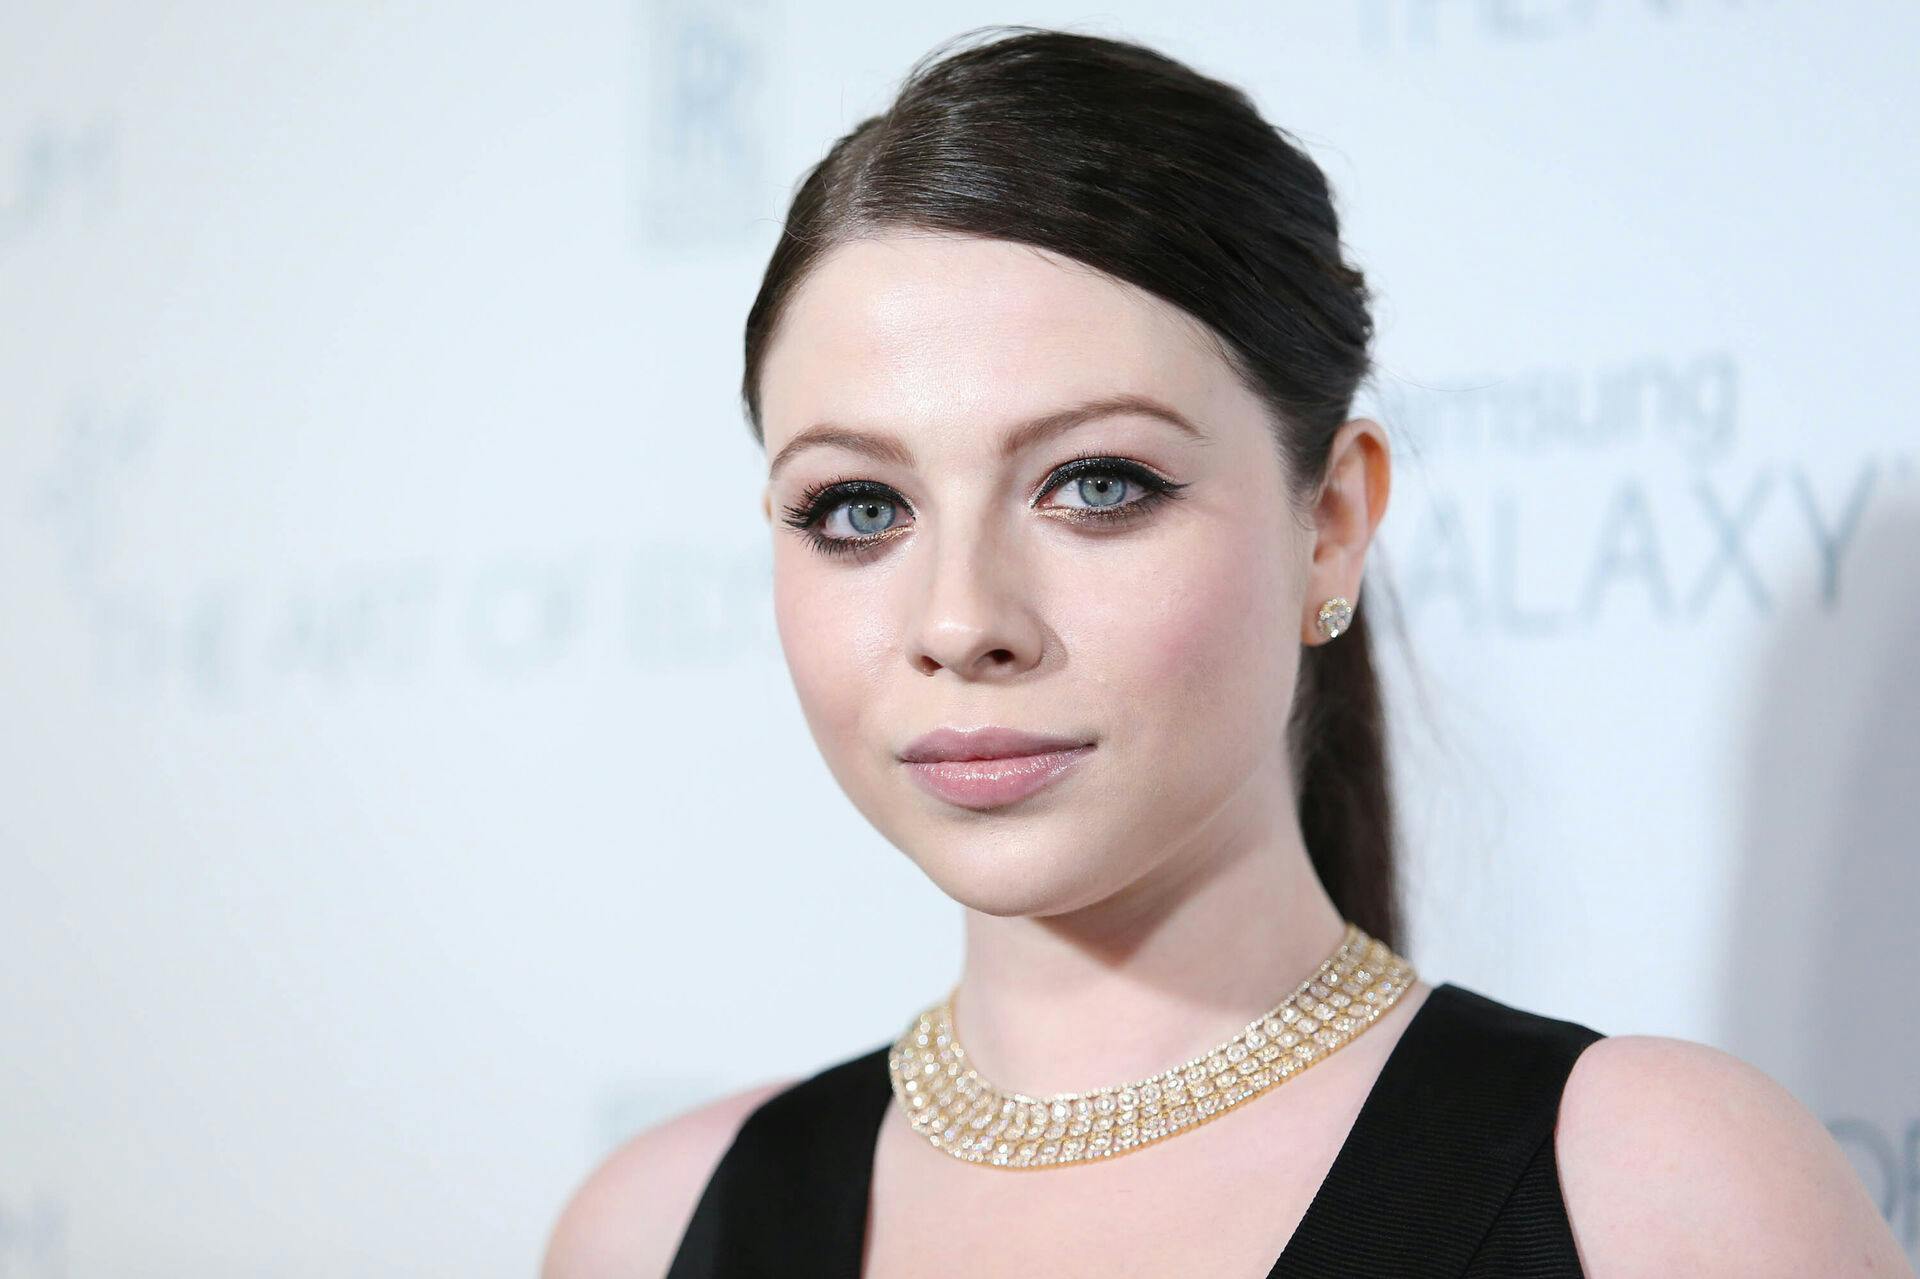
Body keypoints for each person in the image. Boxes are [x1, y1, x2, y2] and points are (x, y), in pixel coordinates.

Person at [542, 25, 1910, 1278]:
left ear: (1331, 521)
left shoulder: (1661, 1196)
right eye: (860, 508)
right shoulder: (655, 1230)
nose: (961, 622)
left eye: (1097, 484)